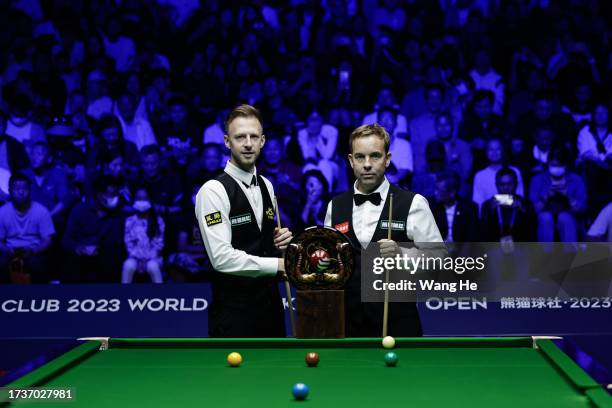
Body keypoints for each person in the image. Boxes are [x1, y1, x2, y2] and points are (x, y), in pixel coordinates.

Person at [324, 124, 444, 337]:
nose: (367, 164)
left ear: (387, 159)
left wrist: (402, 255)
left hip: (398, 323)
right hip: (347, 326)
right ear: (351, 161)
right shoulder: (336, 206)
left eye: (375, 156)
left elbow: (438, 260)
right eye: (360, 157)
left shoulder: (413, 203)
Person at [195, 104, 293, 337]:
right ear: (228, 142)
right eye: (240, 137)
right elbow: (221, 258)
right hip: (233, 314)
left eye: (254, 136)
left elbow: (261, 239)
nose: (248, 143)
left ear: (263, 141)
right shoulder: (213, 190)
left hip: (271, 310)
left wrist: (279, 243)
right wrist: (277, 265)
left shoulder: (267, 186)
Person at [0, 173, 55, 283]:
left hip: (34, 250)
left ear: (30, 190)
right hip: (10, 250)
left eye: (24, 188)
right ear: (10, 191)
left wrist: (34, 251)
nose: (21, 192)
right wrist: (7, 250)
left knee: (38, 265)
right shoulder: (2, 211)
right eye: (17, 188)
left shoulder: (41, 211)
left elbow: (48, 239)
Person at [529, 146, 587, 242]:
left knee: (565, 217)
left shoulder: (576, 180)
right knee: (546, 217)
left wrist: (569, 198)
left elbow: (583, 208)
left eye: (559, 165)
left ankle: (569, 255)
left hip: (569, 218)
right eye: (553, 165)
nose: (556, 168)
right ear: (548, 164)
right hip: (543, 219)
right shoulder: (537, 179)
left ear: (566, 165)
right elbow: (534, 210)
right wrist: (546, 197)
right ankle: (545, 255)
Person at [481, 168, 536, 242]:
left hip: (520, 247)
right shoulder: (487, 205)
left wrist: (523, 211)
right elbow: (483, 234)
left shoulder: (526, 204)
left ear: (516, 184)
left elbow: (531, 232)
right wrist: (490, 212)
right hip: (495, 247)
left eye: (509, 184)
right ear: (496, 185)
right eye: (502, 184)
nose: (506, 188)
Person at [122, 187, 165, 283]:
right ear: (134, 200)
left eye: (144, 198)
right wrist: (138, 259)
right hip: (134, 257)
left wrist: (146, 259)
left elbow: (158, 244)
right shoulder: (129, 221)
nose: (141, 201)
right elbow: (128, 243)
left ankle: (161, 295)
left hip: (153, 258)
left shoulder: (158, 221)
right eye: (139, 198)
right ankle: (124, 295)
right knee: (128, 265)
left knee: (152, 266)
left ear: (150, 200)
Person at [431, 171, 479, 243]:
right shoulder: (433, 209)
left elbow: (471, 239)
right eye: (435, 189)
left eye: (439, 190)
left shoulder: (469, 209)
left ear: (452, 193)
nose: (435, 193)